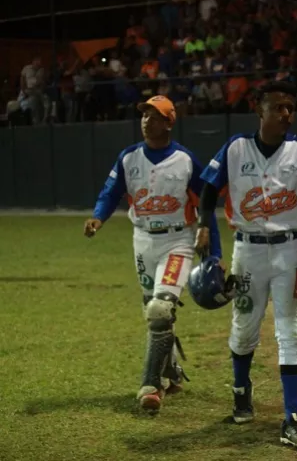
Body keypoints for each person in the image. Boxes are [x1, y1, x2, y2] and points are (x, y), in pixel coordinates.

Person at [195, 80, 297, 450]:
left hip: (290, 251)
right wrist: (204, 224)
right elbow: (207, 188)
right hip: (247, 250)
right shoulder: (236, 148)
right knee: (244, 326)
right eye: (278, 107)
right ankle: (240, 389)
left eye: (290, 107)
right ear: (259, 109)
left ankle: (292, 418)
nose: (286, 113)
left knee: (291, 330)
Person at [83, 95, 222, 412]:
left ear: (169, 122)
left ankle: (150, 385)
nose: (147, 120)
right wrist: (98, 217)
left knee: (160, 309)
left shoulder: (185, 160)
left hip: (177, 241)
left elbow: (206, 204)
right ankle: (171, 371)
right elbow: (111, 192)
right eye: (144, 114)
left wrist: (213, 253)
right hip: (142, 241)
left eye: (155, 116)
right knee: (155, 312)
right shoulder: (128, 157)